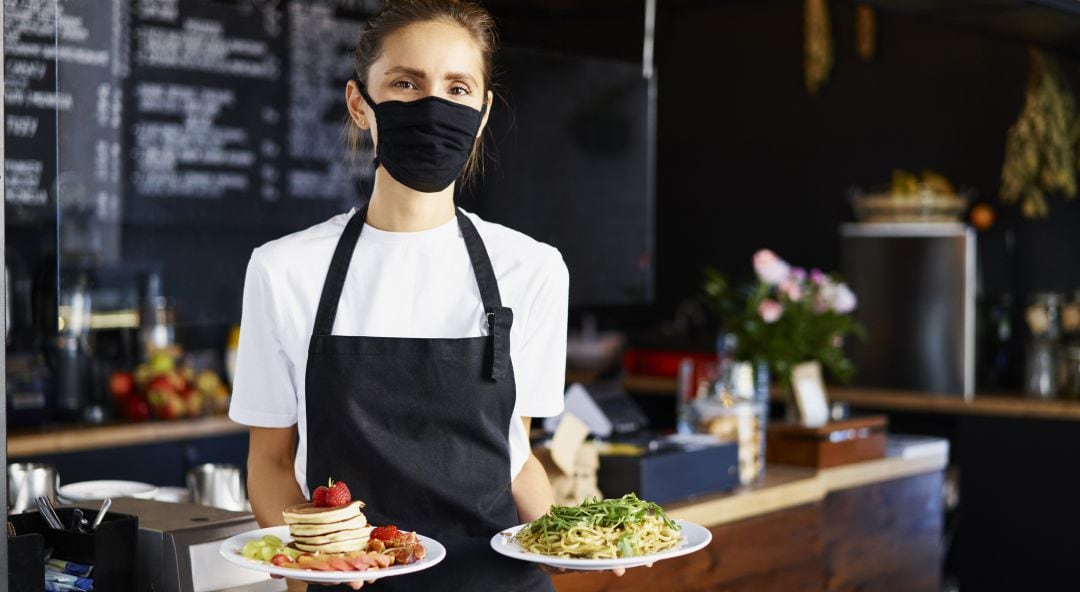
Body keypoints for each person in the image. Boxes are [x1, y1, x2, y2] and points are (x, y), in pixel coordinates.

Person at [229, 1, 568, 590]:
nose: (433, 107)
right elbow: (270, 464)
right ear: (360, 103)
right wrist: (319, 567)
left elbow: (515, 457)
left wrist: (570, 543)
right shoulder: (283, 270)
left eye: (457, 89)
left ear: (482, 114)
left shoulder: (533, 269)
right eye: (406, 83)